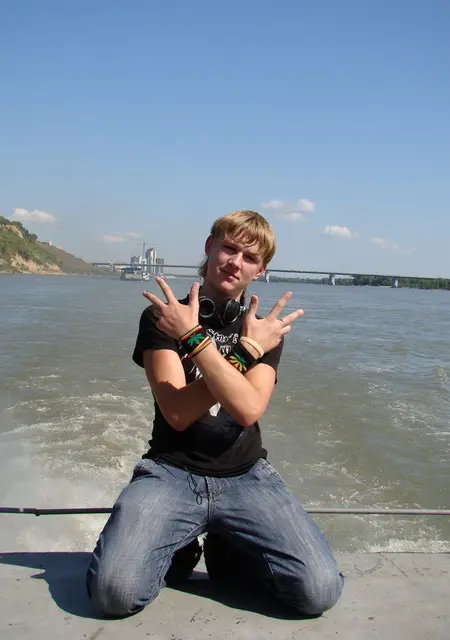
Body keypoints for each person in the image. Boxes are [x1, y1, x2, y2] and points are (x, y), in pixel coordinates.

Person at [87, 210, 344, 617]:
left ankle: (226, 546)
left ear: (260, 270)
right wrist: (239, 352)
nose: (235, 262)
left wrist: (204, 343)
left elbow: (247, 408)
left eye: (250, 257)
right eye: (229, 248)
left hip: (246, 476)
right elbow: (177, 412)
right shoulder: (163, 317)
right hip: (171, 472)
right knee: (113, 594)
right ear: (210, 247)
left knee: (319, 591)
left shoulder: (263, 331)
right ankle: (182, 549)